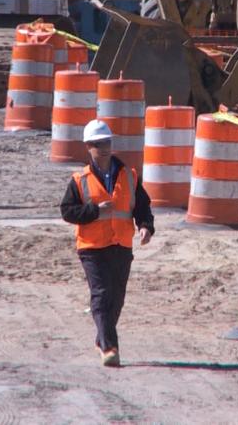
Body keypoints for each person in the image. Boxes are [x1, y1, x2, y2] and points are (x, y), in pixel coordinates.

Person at [60, 119, 155, 367]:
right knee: (101, 295)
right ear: (88, 147)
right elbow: (67, 212)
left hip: (121, 246)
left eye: (107, 143)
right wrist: (93, 211)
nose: (104, 148)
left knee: (117, 298)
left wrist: (145, 227)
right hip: (91, 248)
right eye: (98, 144)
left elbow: (143, 207)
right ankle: (110, 348)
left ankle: (102, 338)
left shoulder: (129, 175)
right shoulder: (79, 179)